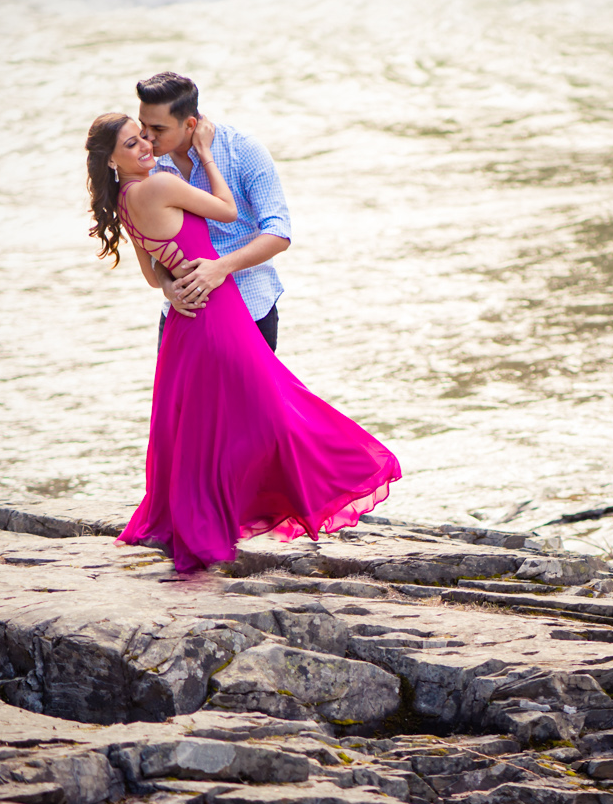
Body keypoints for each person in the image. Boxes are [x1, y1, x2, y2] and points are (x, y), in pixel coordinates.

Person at [85, 113, 399, 570]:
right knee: (273, 408)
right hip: (216, 312)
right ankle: (326, 483)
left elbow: (154, 275)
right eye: (132, 145)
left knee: (198, 428)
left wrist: (173, 288)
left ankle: (209, 519)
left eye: (144, 137)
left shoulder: (125, 195)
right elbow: (228, 211)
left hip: (186, 318)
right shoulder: (157, 186)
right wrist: (208, 156)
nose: (145, 147)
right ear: (112, 159)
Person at [135, 72, 291, 352]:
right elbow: (154, 252)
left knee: (251, 398)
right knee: (178, 398)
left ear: (189, 125)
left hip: (249, 307)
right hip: (183, 315)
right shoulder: (147, 168)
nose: (147, 138)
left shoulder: (242, 150)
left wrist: (220, 268)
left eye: (158, 129)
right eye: (142, 125)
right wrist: (167, 286)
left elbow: (278, 233)